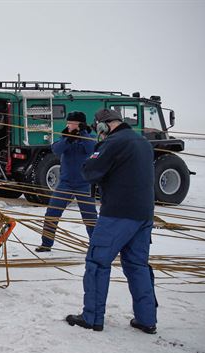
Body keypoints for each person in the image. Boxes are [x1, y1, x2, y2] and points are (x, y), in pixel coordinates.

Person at [66, 108, 158, 334]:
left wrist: (94, 150)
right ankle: (147, 320)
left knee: (97, 263)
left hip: (117, 214)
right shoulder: (143, 142)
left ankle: (92, 318)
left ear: (103, 126)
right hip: (143, 214)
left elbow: (89, 171)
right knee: (137, 266)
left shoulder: (114, 142)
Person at [35, 111, 97, 252]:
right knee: (52, 213)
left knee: (90, 216)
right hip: (65, 184)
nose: (68, 125)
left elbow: (90, 149)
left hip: (84, 184)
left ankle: (95, 246)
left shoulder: (90, 137)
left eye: (71, 123)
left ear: (79, 124)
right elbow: (56, 149)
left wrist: (82, 134)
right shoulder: (64, 137)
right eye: (67, 123)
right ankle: (46, 243)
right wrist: (69, 139)